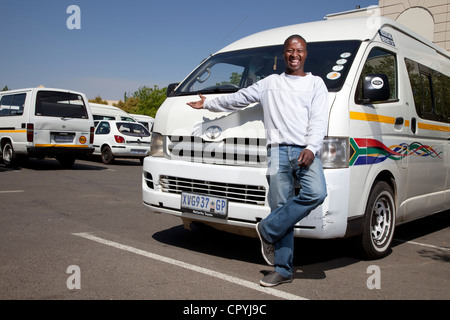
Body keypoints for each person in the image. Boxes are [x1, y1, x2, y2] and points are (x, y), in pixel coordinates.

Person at [187, 34, 329, 287]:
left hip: (305, 151)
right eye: (289, 50)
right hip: (276, 152)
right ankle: (283, 270)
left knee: (317, 193)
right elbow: (238, 98)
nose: (294, 55)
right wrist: (208, 102)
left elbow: (319, 119)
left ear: (306, 54)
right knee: (280, 207)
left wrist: (312, 146)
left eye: (299, 50)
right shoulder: (269, 83)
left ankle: (267, 229)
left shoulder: (316, 84)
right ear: (283, 54)